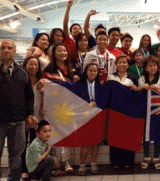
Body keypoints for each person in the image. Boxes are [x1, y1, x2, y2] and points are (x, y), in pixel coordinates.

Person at [0, 39, 38, 181]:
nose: (6, 50)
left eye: (9, 48)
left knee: (16, 156)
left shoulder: (22, 72)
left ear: (14, 51)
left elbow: (29, 96)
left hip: (18, 122)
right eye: (3, 47)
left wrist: (29, 114)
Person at [42, 43, 74, 173]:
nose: (63, 53)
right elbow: (45, 89)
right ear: (54, 53)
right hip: (53, 107)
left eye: (64, 51)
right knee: (53, 135)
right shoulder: (48, 69)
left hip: (67, 106)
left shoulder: (70, 69)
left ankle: (67, 162)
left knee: (66, 133)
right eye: (59, 51)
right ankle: (56, 163)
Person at [107, 55, 138, 169]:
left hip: (128, 111)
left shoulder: (132, 78)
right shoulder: (110, 77)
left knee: (128, 136)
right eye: (120, 62)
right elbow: (107, 94)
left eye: (124, 62)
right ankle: (115, 161)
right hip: (114, 110)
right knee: (115, 136)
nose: (122, 64)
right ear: (116, 64)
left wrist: (136, 89)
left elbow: (136, 95)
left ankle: (128, 160)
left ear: (128, 65)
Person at [139, 55, 160, 170]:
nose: (152, 67)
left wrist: (159, 89)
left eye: (154, 65)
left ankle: (156, 157)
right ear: (146, 68)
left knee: (157, 133)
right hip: (145, 111)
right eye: (150, 65)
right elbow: (138, 93)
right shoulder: (142, 79)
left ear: (158, 66)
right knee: (145, 134)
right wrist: (142, 87)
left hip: (158, 111)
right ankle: (146, 156)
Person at [21, 56, 44, 180]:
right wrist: (25, 116)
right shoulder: (21, 79)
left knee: (36, 145)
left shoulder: (41, 81)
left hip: (38, 118)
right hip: (24, 118)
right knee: (23, 145)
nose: (33, 67)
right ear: (25, 65)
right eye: (31, 64)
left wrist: (43, 91)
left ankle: (35, 170)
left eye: (36, 65)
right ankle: (24, 171)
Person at [78, 63, 101, 175]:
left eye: (95, 71)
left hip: (96, 116)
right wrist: (85, 104)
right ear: (86, 71)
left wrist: (97, 103)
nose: (93, 73)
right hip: (84, 116)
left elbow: (103, 100)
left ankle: (93, 163)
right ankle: (82, 165)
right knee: (86, 143)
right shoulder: (79, 85)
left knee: (95, 142)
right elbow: (75, 100)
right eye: (90, 70)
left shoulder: (100, 85)